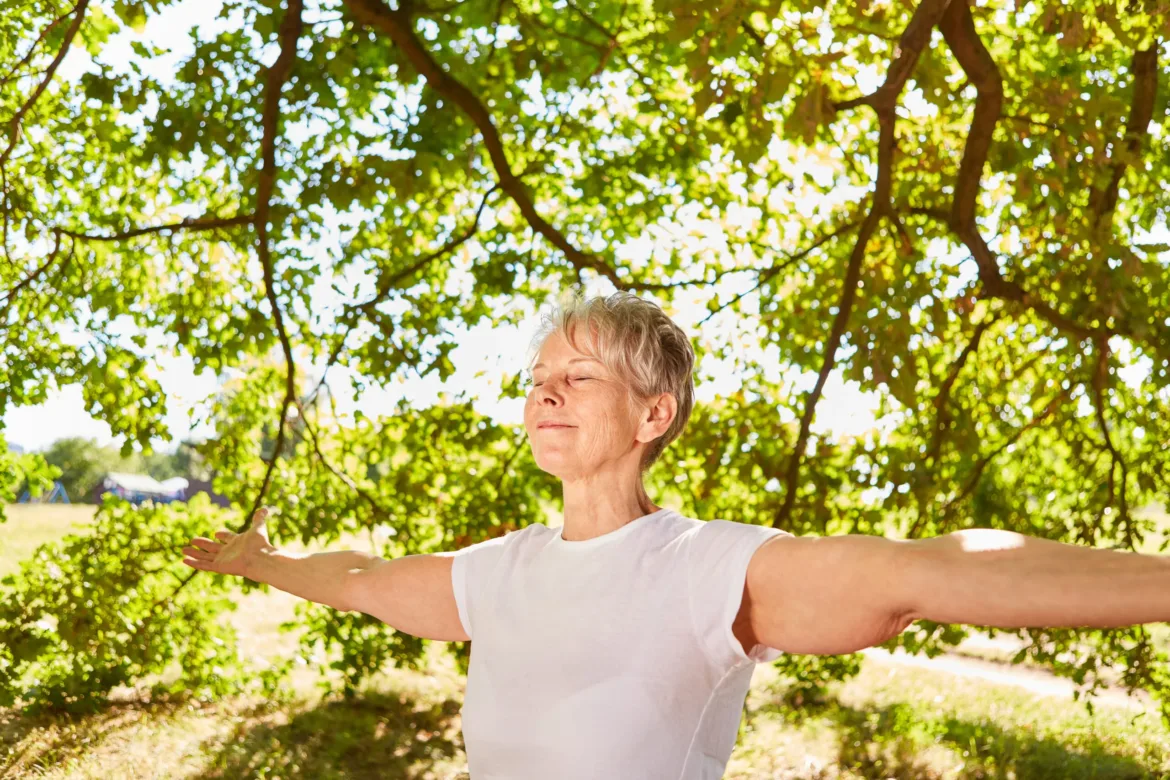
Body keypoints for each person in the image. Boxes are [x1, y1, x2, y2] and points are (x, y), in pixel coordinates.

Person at [182, 289, 1170, 779]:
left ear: (654, 416)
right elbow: (359, 577)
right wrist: (256, 561)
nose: (545, 392)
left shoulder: (707, 570)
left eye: (581, 376)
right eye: (538, 379)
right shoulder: (497, 575)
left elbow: (935, 571)